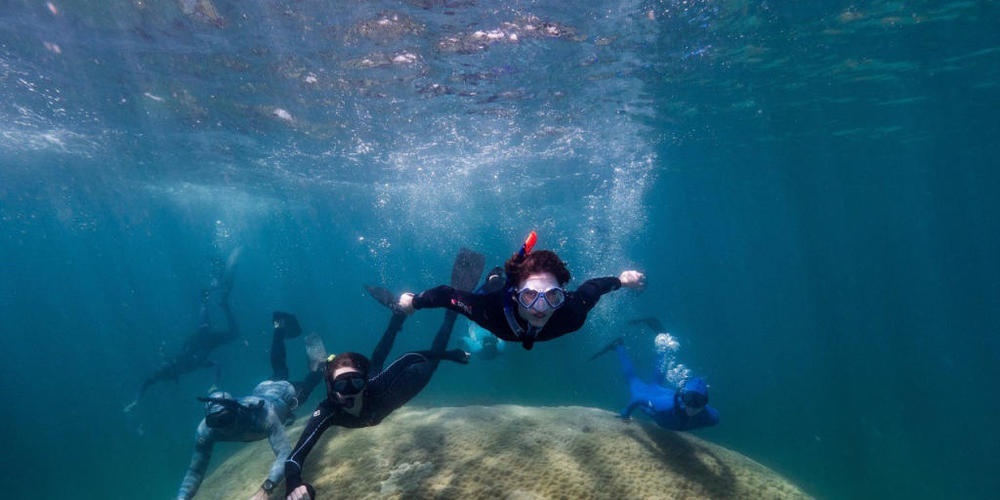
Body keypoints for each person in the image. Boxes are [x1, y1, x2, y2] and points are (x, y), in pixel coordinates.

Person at [283, 249, 483, 500]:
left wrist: (449, 355)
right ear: (331, 389)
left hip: (399, 389)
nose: (352, 391)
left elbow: (407, 359)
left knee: (413, 365)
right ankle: (397, 317)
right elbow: (295, 457)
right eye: (343, 386)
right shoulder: (328, 411)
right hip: (380, 394)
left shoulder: (371, 384)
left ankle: (448, 312)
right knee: (376, 363)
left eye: (356, 382)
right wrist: (293, 483)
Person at [395, 232, 646, 349]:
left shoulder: (572, 311)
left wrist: (622, 281)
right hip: (500, 299)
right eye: (529, 296)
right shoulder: (489, 311)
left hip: (509, 316)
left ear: (562, 295)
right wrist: (414, 300)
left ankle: (501, 278)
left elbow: (594, 288)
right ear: (517, 294)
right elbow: (444, 295)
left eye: (552, 296)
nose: (540, 308)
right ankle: (496, 275)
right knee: (493, 286)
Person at [176, 312, 328, 500]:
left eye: (225, 419)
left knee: (309, 379)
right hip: (263, 390)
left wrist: (266, 489)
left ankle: (318, 366)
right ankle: (279, 329)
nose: (224, 426)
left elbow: (285, 453)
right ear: (208, 420)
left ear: (237, 410)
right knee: (279, 368)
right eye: (216, 421)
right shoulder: (206, 430)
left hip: (285, 395)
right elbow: (195, 472)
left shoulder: (263, 415)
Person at [125, 248, 242, 413]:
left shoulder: (178, 364)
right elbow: (215, 364)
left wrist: (137, 399)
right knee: (234, 333)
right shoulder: (185, 367)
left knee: (206, 320)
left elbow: (150, 380)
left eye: (172, 372)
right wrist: (215, 382)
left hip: (202, 337)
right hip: (207, 342)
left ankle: (209, 293)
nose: (174, 373)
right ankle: (221, 302)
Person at [589, 337, 718, 431]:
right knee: (632, 380)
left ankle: (664, 347)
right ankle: (619, 346)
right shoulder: (665, 406)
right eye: (689, 399)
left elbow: (713, 417)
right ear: (683, 396)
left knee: (656, 382)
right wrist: (625, 413)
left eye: (699, 401)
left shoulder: (710, 417)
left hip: (662, 393)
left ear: (705, 403)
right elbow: (638, 399)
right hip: (650, 395)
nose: (692, 407)